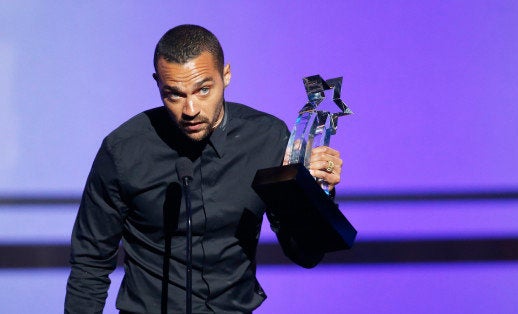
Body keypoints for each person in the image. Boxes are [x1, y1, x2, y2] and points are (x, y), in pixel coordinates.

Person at [65, 24, 344, 314]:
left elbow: (305, 254)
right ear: (157, 83)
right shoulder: (123, 150)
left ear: (226, 75)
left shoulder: (267, 139)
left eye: (204, 90)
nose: (190, 109)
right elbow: (90, 262)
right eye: (173, 94)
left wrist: (319, 192)